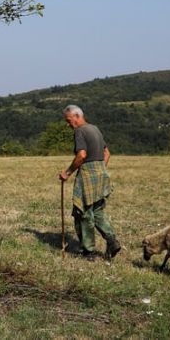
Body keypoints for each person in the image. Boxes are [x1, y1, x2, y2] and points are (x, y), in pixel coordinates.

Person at [58, 104, 122, 260]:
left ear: (77, 116)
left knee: (84, 213)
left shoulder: (80, 131)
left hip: (87, 174)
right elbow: (107, 153)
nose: (68, 124)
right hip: (101, 174)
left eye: (69, 120)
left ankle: (89, 251)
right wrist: (99, 169)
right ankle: (112, 241)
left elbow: (81, 155)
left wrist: (67, 173)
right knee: (98, 211)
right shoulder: (95, 128)